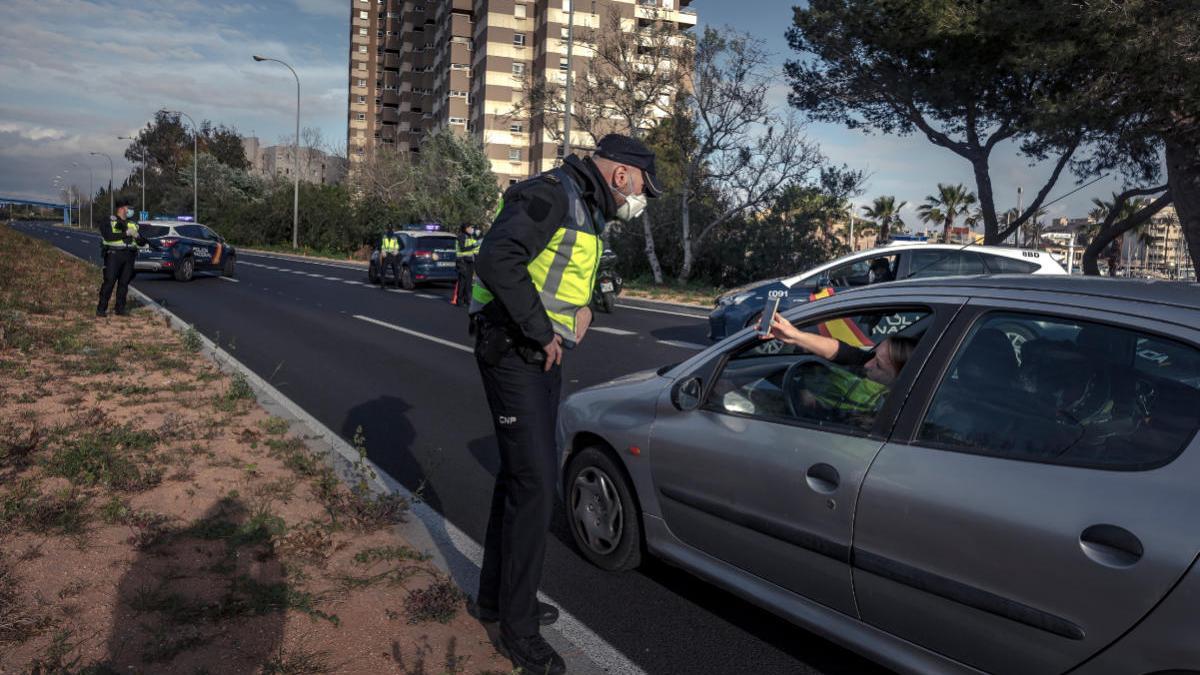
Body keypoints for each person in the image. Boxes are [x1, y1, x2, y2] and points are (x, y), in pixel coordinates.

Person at [467, 134, 662, 675]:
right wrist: (540, 332)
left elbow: (561, 272)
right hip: (514, 349)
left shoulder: (585, 205)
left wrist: (588, 307)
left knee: (518, 479)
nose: (640, 196)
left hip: (537, 354)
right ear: (622, 174)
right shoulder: (553, 193)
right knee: (534, 487)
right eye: (643, 184)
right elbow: (497, 260)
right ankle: (518, 631)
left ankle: (496, 601)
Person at [764, 313, 919, 420]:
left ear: (899, 378)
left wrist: (811, 403)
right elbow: (842, 352)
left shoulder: (884, 412)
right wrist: (795, 336)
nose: (867, 364)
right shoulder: (873, 371)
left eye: (878, 365)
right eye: (874, 355)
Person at [96, 199, 152, 317]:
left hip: (129, 256)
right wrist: (126, 233)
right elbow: (108, 236)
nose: (130, 210)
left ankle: (120, 309)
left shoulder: (133, 223)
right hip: (114, 255)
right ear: (121, 208)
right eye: (128, 208)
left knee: (124, 284)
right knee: (109, 281)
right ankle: (101, 309)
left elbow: (141, 242)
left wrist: (138, 237)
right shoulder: (108, 220)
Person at [453, 224, 481, 306]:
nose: (471, 229)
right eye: (469, 227)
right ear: (465, 229)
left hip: (470, 261)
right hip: (462, 261)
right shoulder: (461, 236)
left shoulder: (471, 237)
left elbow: (474, 250)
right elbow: (462, 248)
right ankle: (460, 300)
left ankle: (467, 300)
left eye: (472, 227)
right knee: (463, 281)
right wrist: (474, 245)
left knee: (469, 282)